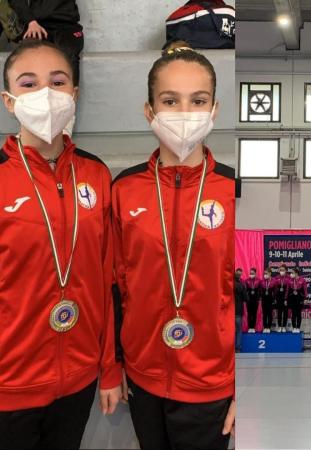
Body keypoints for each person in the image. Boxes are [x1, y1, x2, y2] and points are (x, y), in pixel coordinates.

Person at [112, 44, 235, 450]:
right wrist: (115, 363)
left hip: (212, 385)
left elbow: (243, 297)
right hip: (143, 377)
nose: (184, 112)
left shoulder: (233, 189)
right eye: (170, 100)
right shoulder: (123, 189)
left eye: (197, 101)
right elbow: (114, 285)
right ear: (149, 111)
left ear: (214, 109)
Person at [0, 39, 120, 449]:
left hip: (78, 379)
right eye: (28, 83)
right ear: (9, 100)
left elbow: (106, 281)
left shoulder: (96, 174)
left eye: (58, 81)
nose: (45, 94)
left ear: (74, 95)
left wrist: (108, 368)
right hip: (9, 386)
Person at [9, 0, 84, 83]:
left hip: (68, 25)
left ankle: (69, 94)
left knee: (69, 55)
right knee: (30, 54)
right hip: (38, 25)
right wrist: (30, 21)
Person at [287, 268, 307, 334]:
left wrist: (305, 298)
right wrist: (286, 299)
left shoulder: (302, 280)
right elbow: (287, 291)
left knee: (298, 314)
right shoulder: (290, 280)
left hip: (299, 299)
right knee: (293, 314)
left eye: (292, 273)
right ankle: (294, 327)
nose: (291, 274)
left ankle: (298, 327)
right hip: (292, 299)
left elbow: (305, 290)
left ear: (296, 273)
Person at [273, 264, 291, 331]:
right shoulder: (276, 277)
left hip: (286, 297)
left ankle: (284, 326)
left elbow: (289, 289)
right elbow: (275, 288)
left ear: (286, 270)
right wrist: (275, 297)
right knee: (279, 311)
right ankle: (280, 326)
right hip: (279, 297)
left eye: (283, 270)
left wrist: (286, 298)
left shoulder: (289, 278)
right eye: (280, 270)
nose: (281, 271)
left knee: (285, 311)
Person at [234, 268, 247, 352]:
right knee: (239, 330)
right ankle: (238, 348)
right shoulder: (242, 285)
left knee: (229, 330)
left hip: (229, 311)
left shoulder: (229, 284)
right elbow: (246, 298)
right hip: (238, 311)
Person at [244, 267, 261, 333]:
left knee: (254, 314)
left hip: (255, 300)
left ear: (255, 273)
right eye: (250, 273)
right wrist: (246, 299)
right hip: (249, 300)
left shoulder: (258, 281)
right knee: (249, 314)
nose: (251, 274)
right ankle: (249, 327)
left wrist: (259, 298)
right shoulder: (246, 281)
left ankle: (253, 327)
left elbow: (260, 291)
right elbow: (245, 291)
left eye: (253, 273)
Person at [259, 268, 275, 333]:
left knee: (269, 314)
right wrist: (260, 297)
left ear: (270, 273)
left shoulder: (274, 281)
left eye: (266, 273)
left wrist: (274, 299)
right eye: (264, 273)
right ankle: (265, 327)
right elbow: (260, 290)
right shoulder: (262, 281)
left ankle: (269, 327)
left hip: (270, 299)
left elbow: (275, 291)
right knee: (265, 314)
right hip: (264, 299)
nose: (265, 275)